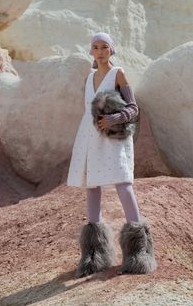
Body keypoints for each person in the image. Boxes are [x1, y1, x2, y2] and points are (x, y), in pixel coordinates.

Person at [67, 32, 157, 277]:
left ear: (112, 50)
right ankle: (94, 255)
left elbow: (133, 108)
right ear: (91, 51)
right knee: (92, 187)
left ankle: (139, 252)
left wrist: (113, 119)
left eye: (104, 46)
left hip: (113, 140)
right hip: (90, 137)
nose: (100, 51)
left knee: (123, 185)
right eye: (95, 47)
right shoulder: (88, 78)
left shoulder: (118, 73)